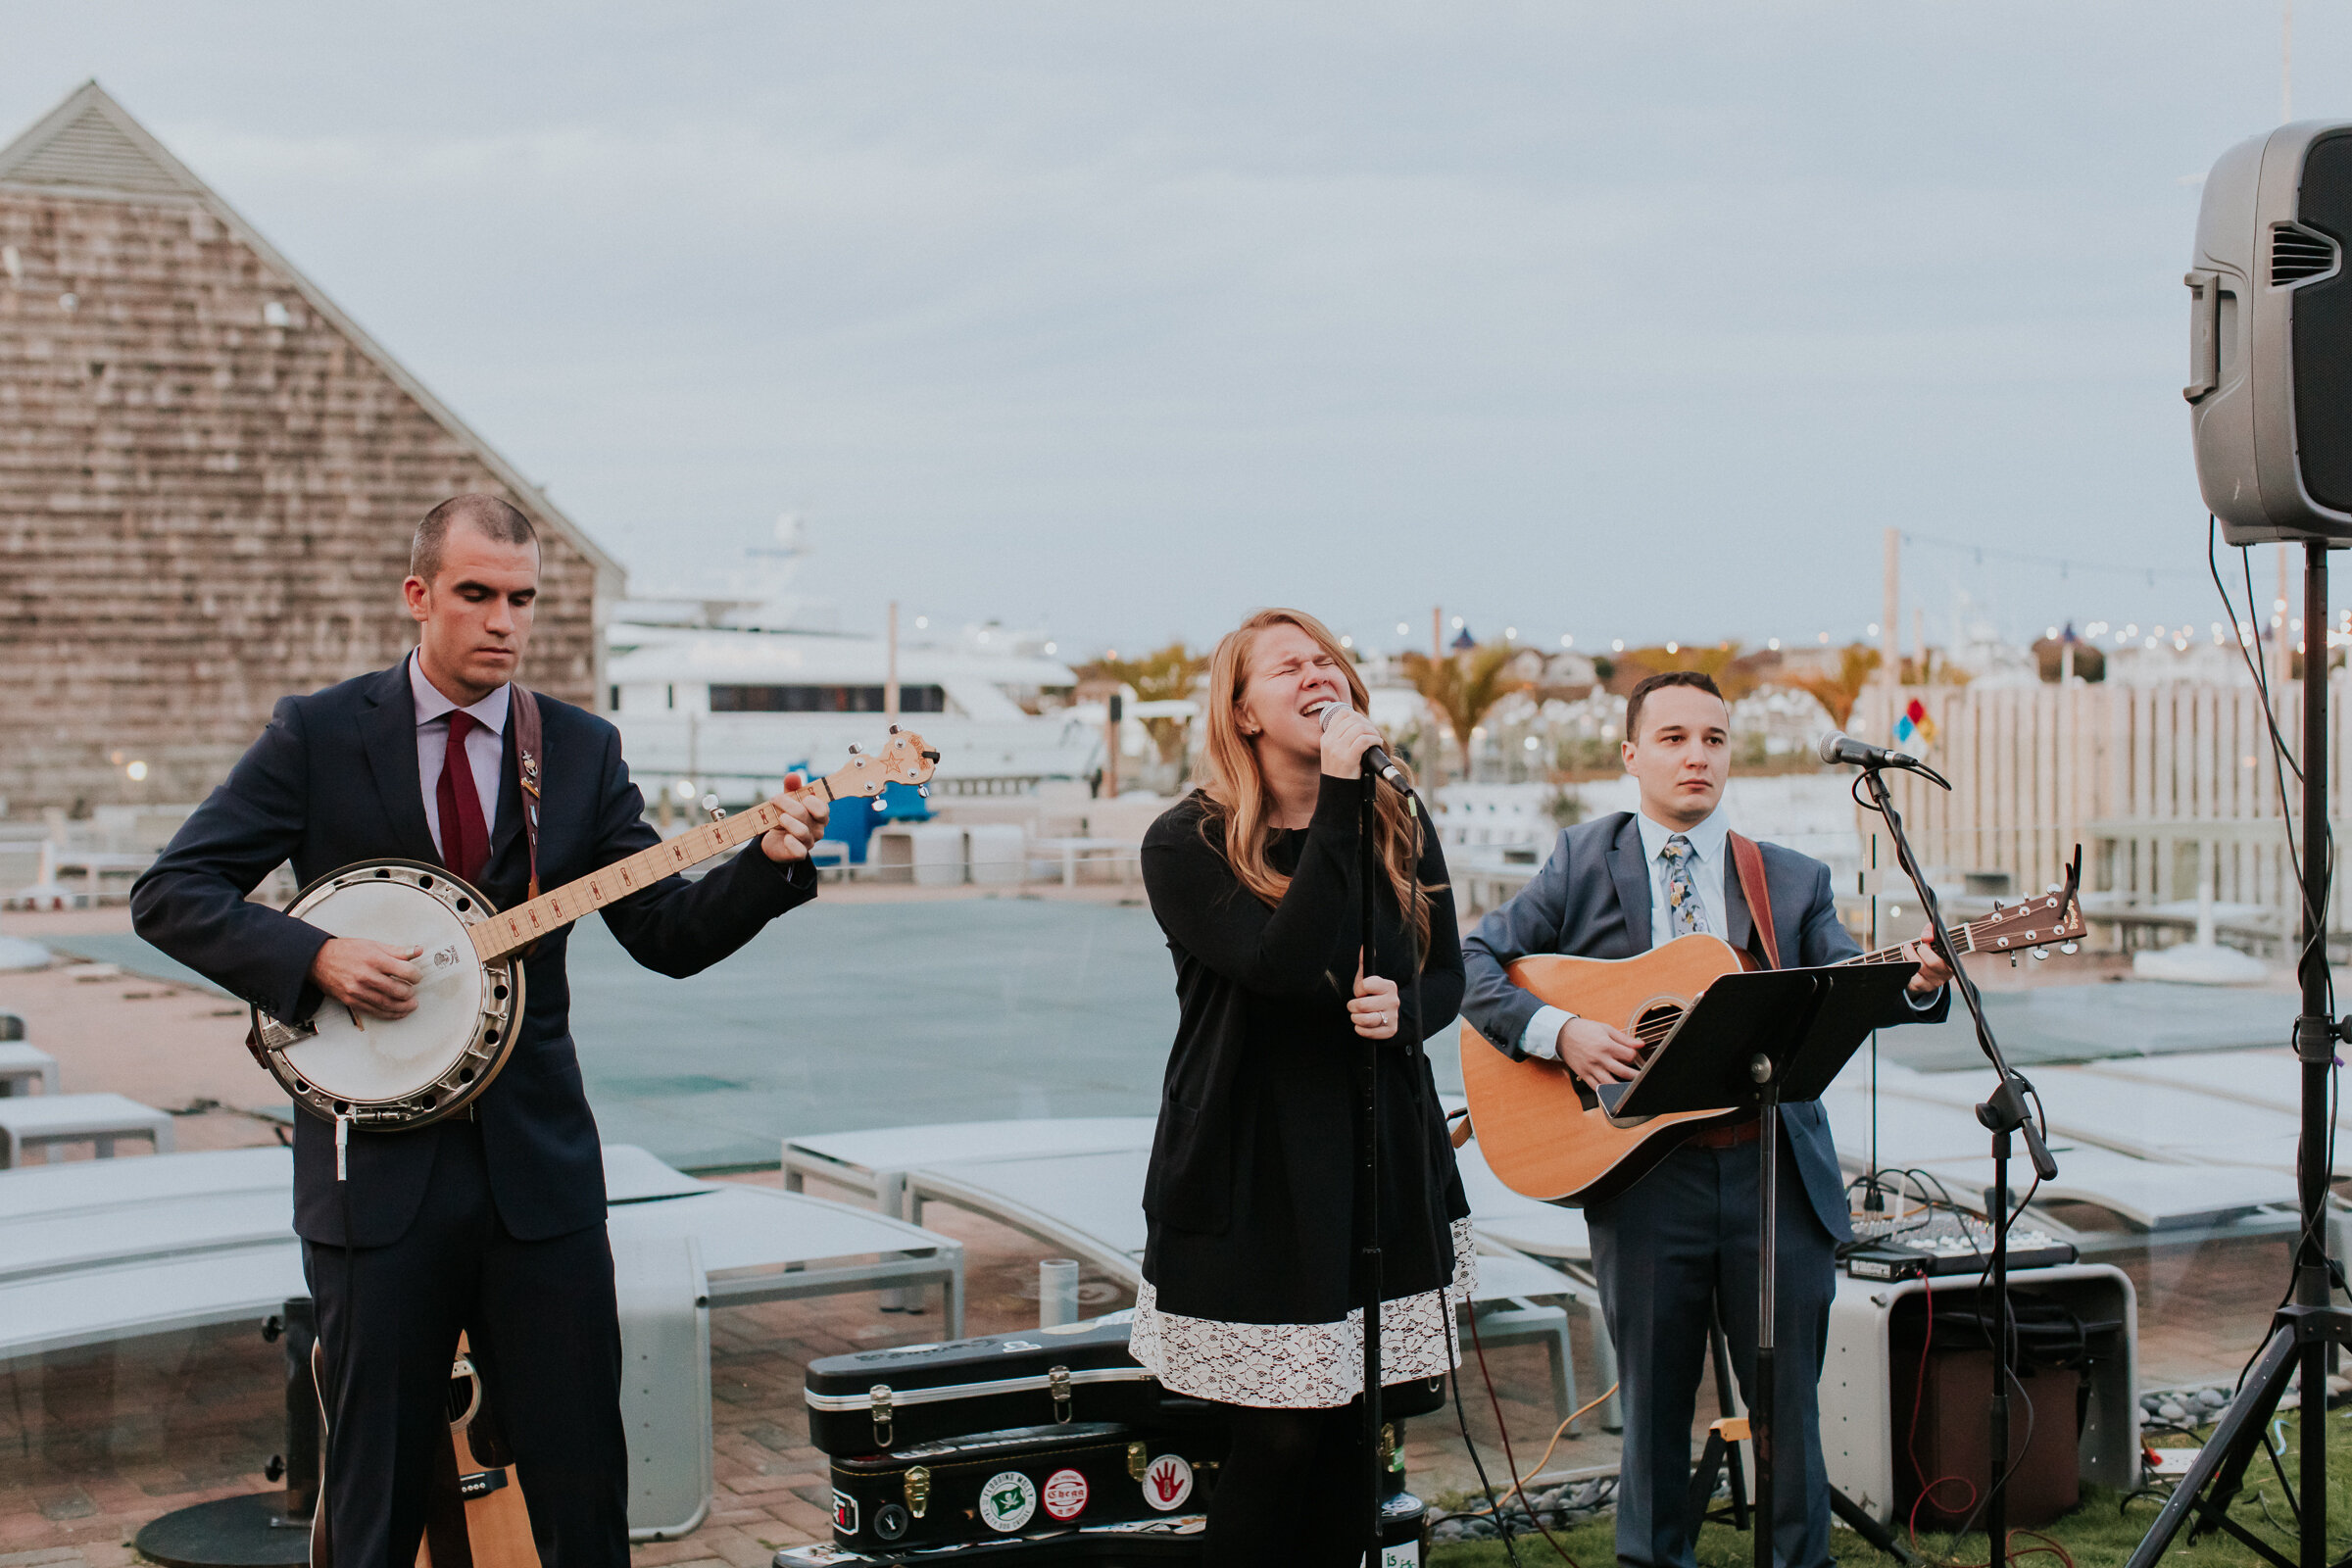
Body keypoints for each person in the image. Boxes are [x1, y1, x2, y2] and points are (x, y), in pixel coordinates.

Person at [130, 495, 832, 1568]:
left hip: (536, 1180)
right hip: (375, 1181)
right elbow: (173, 891)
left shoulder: (584, 752)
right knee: (373, 1493)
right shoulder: (317, 735)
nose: (503, 619)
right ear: (419, 596)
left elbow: (666, 934)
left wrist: (770, 864)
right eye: (476, 594)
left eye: (522, 598)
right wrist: (312, 958)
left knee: (581, 1481)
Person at [1459, 670, 1950, 1568]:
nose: (1696, 756)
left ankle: (1800, 1562)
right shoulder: (1582, 858)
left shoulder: (1790, 880)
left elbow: (1844, 992)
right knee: (1652, 1405)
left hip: (1774, 1177)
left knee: (1789, 1410)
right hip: (1646, 1181)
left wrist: (1911, 983)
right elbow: (1475, 961)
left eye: (1715, 739)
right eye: (1675, 737)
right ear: (1631, 754)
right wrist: (1560, 1031)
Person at [1130, 608, 1471, 1568]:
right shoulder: (1185, 842)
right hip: (1255, 1170)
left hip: (1377, 1154)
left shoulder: (1395, 816)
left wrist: (1404, 1012)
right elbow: (1280, 961)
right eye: (1289, 667)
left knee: (1357, 1432)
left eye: (1329, 660)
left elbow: (1446, 972)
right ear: (1241, 711)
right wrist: (1341, 799)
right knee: (1279, 1436)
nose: (1318, 674)